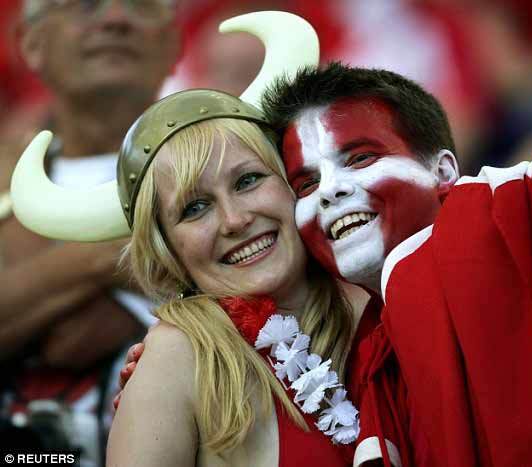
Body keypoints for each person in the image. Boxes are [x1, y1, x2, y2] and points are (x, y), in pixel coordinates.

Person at [257, 2, 532, 466]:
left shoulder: (528, 214)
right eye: (307, 184)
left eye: (360, 158)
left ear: (444, 171)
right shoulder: (361, 362)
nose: (331, 191)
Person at [10, 11, 373, 467]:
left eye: (248, 181)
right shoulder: (176, 359)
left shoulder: (382, 300)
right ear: (168, 249)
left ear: (292, 183)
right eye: (194, 208)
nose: (235, 220)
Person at [0, 0, 180, 462]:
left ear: (173, 43)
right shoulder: (4, 175)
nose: (116, 19)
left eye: (142, 5)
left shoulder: (232, 163)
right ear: (32, 44)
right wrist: (105, 260)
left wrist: (33, 285)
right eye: (85, 5)